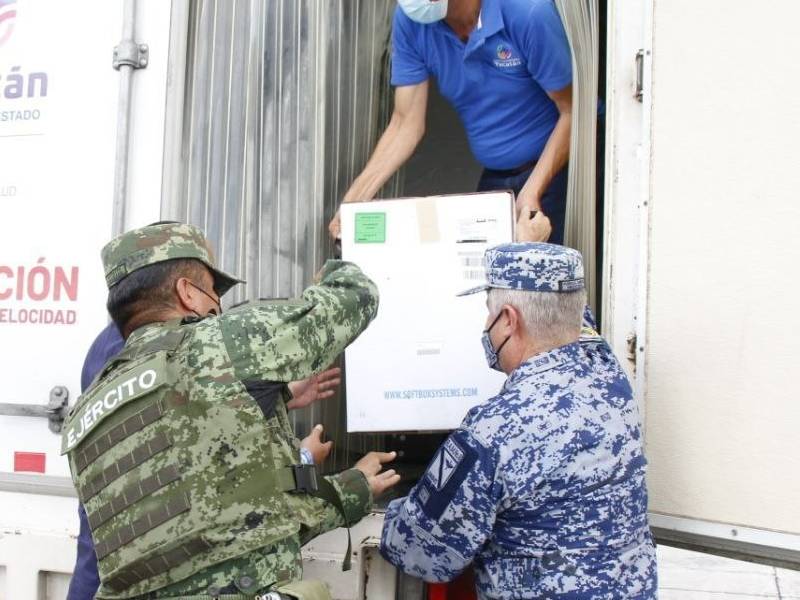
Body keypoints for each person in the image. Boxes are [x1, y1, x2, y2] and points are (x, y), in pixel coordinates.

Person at [60, 222, 400, 599]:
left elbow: (220, 511)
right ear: (187, 292)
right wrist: (338, 261)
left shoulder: (86, 414)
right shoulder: (221, 339)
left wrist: (276, 396)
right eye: (212, 291)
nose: (217, 306)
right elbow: (356, 297)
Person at [380, 242, 657, 598]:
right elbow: (568, 314)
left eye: (489, 313)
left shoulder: (493, 431)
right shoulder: (608, 374)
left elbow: (418, 551)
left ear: (509, 320)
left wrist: (379, 502)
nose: (486, 325)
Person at [66, 326, 348, 600]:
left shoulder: (113, 345)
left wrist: (278, 398)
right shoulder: (146, 348)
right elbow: (194, 480)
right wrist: (303, 460)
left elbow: (175, 430)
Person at [329, 0, 572, 244]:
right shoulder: (411, 21)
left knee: (546, 270)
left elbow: (574, 112)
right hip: (497, 177)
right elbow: (405, 123)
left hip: (558, 168)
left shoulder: (527, 12)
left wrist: (533, 191)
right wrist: (354, 202)